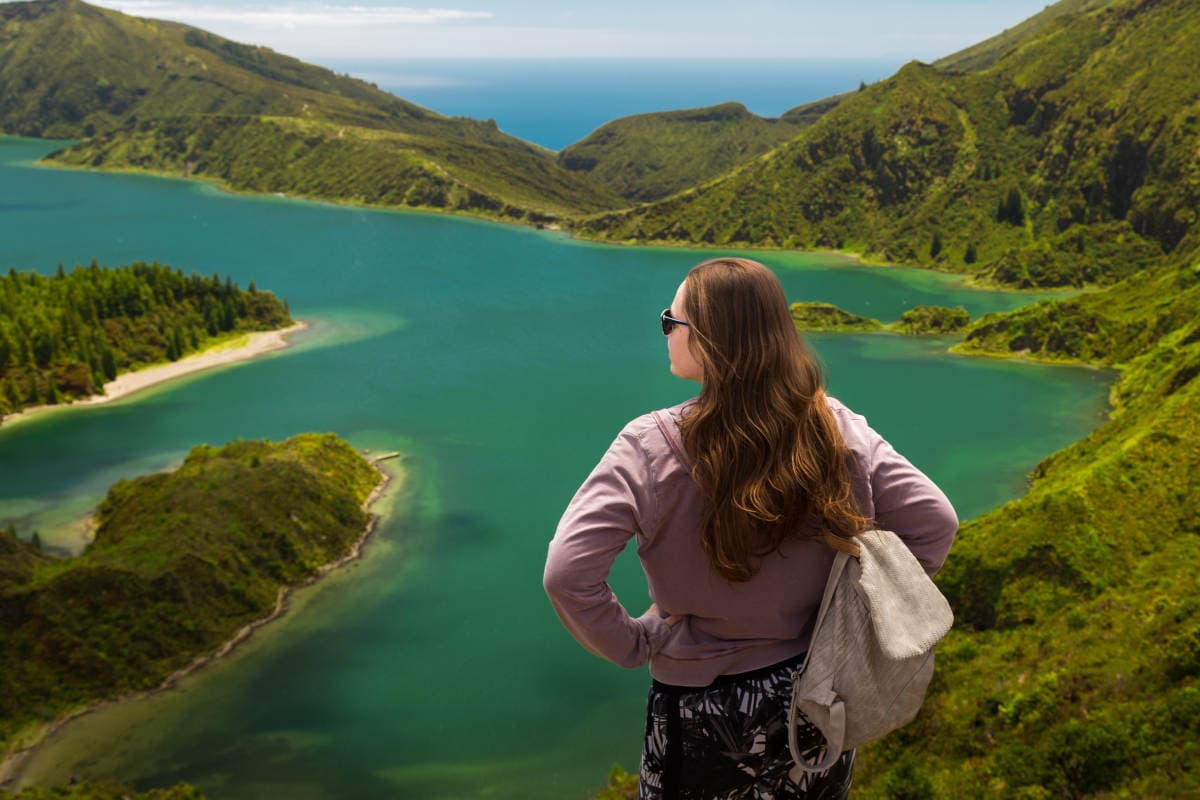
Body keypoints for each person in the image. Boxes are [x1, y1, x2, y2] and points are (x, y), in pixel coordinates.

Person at [543, 257, 958, 799]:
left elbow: (567, 576)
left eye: (673, 321)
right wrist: (850, 615)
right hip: (817, 699)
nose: (666, 330)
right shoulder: (837, 428)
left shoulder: (649, 445)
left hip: (700, 709)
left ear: (711, 340)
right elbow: (935, 524)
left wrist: (633, 643)